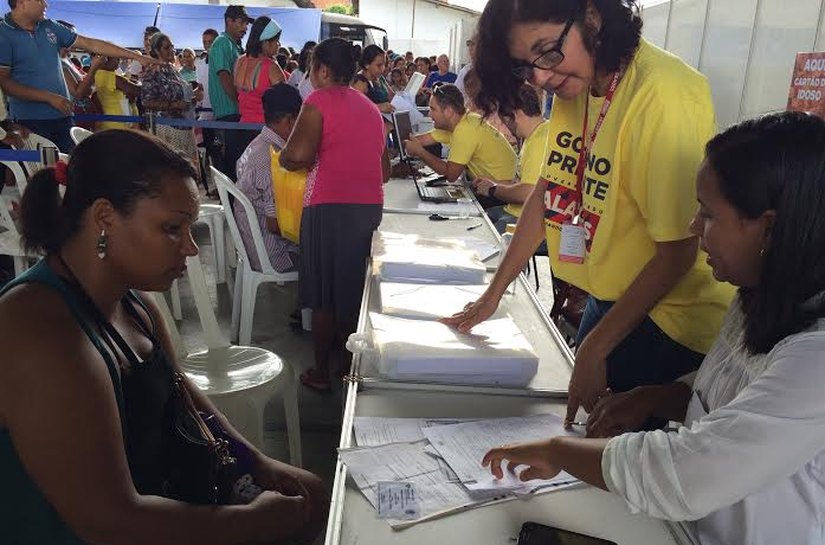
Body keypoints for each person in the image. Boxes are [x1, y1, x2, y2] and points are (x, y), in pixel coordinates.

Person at [482, 111, 825, 545]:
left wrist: (559, 451)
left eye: (709, 215)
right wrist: (652, 397)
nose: (693, 228)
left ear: (769, 227)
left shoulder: (816, 358)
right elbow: (727, 399)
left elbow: (693, 473)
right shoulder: (756, 299)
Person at [0, 129, 327, 544]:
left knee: (310, 495)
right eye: (173, 228)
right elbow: (109, 522)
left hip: (157, 492)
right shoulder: (38, 332)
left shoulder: (132, 304)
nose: (191, 249)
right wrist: (251, 523)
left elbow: (181, 392)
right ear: (105, 217)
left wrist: (255, 461)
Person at [446, 0, 735, 425]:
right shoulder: (575, 84)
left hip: (671, 319)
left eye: (547, 51)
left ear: (592, 17)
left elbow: (678, 252)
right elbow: (548, 194)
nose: (542, 76)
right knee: (578, 429)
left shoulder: (663, 95)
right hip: (609, 298)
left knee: (610, 452)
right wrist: (493, 294)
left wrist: (597, 346)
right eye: (526, 66)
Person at [280, 38, 390, 393]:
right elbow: (384, 171)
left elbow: (293, 155)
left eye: (312, 68)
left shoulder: (317, 101)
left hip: (328, 206)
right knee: (353, 289)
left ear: (323, 70)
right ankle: (349, 367)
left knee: (326, 295)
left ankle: (321, 372)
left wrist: (299, 157)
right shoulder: (372, 109)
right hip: (368, 207)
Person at [0, 0, 156, 151]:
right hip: (29, 121)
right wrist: (48, 97)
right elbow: (5, 83)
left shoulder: (49, 26)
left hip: (63, 115)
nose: (46, 4)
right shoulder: (3, 33)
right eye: (40, 0)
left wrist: (138, 57)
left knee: (71, 169)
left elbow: (91, 44)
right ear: (22, 2)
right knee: (43, 172)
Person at [235, 84, 302, 273]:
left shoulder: (256, 146)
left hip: (253, 246)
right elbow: (276, 225)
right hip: (275, 255)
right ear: (290, 120)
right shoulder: (273, 160)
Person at [473, 84, 550, 235]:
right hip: (513, 211)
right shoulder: (535, 134)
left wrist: (493, 189)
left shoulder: (540, 142)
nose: (506, 126)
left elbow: (527, 193)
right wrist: (492, 183)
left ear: (516, 114)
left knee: (479, 235)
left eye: (506, 120)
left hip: (523, 219)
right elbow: (520, 183)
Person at [404, 83, 517, 184]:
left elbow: (451, 175)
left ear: (449, 111)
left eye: (433, 109)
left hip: (501, 194)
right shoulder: (463, 120)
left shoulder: (465, 130)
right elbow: (422, 140)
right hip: (491, 187)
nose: (429, 114)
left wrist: (419, 152)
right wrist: (405, 142)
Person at [141, 33, 201, 174]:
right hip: (166, 129)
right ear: (156, 51)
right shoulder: (153, 71)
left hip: (184, 127)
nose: (171, 51)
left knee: (188, 173)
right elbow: (146, 100)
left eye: (172, 47)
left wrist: (194, 96)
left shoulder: (173, 70)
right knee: (173, 174)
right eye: (166, 48)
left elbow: (182, 97)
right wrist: (173, 105)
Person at [208, 4, 252, 181]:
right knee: (231, 163)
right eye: (241, 22)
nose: (245, 28)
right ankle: (230, 205)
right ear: (229, 21)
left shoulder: (235, 46)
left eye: (246, 24)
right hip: (229, 113)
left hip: (235, 112)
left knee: (238, 161)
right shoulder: (221, 43)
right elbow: (224, 76)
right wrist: (240, 103)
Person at [235, 16, 285, 125]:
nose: (279, 45)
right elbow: (284, 102)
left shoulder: (240, 61)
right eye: (277, 41)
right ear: (266, 43)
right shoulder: (271, 67)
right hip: (265, 131)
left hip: (242, 127)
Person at [94, 56, 140, 130]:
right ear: (107, 60)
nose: (119, 61)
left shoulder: (99, 74)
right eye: (117, 58)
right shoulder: (110, 76)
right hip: (119, 123)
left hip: (115, 121)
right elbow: (134, 90)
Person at [352, 44, 394, 114]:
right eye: (379, 65)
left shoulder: (380, 78)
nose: (383, 68)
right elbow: (355, 108)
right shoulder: (360, 82)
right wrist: (378, 107)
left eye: (384, 64)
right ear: (366, 64)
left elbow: (392, 96)